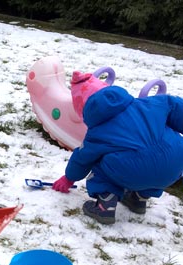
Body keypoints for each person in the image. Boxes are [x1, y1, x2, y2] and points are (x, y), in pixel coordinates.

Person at [52, 71, 183, 225]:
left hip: (135, 169)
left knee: (99, 162)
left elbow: (82, 158)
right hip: (175, 164)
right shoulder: (149, 104)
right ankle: (139, 198)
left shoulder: (97, 133)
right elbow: (175, 105)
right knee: (155, 164)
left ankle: (105, 205)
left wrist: (68, 178)